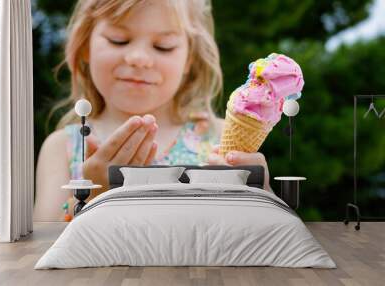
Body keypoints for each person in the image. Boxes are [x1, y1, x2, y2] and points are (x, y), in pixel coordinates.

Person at [33, 0, 272, 222]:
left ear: (189, 58)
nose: (139, 58)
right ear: (85, 46)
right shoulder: (63, 147)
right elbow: (40, 246)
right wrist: (91, 194)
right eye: (118, 40)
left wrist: (262, 194)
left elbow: (263, 229)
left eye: (163, 46)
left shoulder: (219, 139)